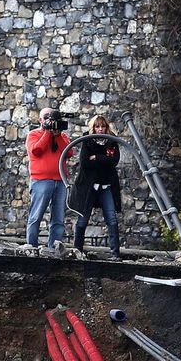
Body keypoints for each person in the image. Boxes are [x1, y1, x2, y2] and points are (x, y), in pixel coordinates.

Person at [69, 114, 123, 259]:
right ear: (93, 127)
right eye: (97, 126)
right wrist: (104, 160)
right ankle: (77, 250)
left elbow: (114, 161)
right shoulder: (87, 140)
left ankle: (115, 253)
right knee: (82, 218)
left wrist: (97, 157)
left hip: (106, 185)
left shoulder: (112, 140)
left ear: (106, 127)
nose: (100, 129)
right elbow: (85, 162)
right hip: (89, 186)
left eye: (102, 126)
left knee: (111, 218)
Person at [25, 106, 70, 251]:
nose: (49, 121)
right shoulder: (34, 134)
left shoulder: (61, 135)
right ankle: (31, 247)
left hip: (60, 180)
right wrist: (47, 133)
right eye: (46, 118)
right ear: (40, 120)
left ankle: (54, 248)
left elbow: (69, 152)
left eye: (51, 118)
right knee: (36, 216)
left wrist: (56, 135)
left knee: (58, 218)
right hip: (41, 180)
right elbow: (37, 151)